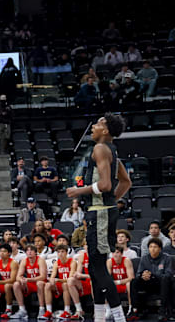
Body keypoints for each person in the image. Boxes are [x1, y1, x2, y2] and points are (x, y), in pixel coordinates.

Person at [65, 114, 132, 322]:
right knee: (94, 269)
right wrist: (110, 202)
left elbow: (105, 186)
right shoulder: (113, 152)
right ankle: (99, 317)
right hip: (103, 210)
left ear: (105, 131)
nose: (93, 126)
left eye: (98, 124)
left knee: (99, 269)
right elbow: (126, 182)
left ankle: (119, 317)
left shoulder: (101, 148)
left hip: (100, 213)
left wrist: (79, 191)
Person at [130, 238, 172, 321]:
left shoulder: (167, 258)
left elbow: (168, 274)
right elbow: (138, 273)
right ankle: (135, 310)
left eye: (155, 247)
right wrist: (143, 275)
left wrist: (152, 275)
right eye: (150, 247)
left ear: (160, 249)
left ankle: (163, 310)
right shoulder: (144, 258)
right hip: (148, 283)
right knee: (134, 281)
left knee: (165, 279)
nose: (152, 249)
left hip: (161, 284)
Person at [13, 245, 47, 319]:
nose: (29, 252)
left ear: (35, 253)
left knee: (39, 283)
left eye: (31, 250)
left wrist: (28, 279)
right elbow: (18, 276)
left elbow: (43, 276)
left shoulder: (40, 260)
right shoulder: (24, 261)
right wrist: (22, 280)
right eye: (28, 250)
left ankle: (42, 310)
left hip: (40, 283)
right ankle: (22, 310)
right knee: (16, 284)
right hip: (30, 284)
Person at [43, 244, 75, 319]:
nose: (60, 254)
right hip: (61, 283)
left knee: (65, 284)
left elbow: (70, 278)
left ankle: (67, 311)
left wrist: (58, 280)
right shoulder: (56, 263)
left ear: (66, 253)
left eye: (62, 252)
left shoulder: (72, 262)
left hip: (70, 284)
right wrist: (52, 281)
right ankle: (49, 311)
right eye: (58, 252)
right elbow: (52, 276)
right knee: (47, 285)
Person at [107, 245, 134, 317]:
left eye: (117, 252)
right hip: (114, 285)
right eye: (113, 253)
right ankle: (108, 309)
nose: (115, 254)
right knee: (105, 284)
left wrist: (119, 282)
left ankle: (130, 308)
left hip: (124, 284)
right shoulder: (110, 261)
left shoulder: (126, 260)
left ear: (121, 254)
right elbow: (108, 277)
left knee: (129, 284)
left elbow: (131, 277)